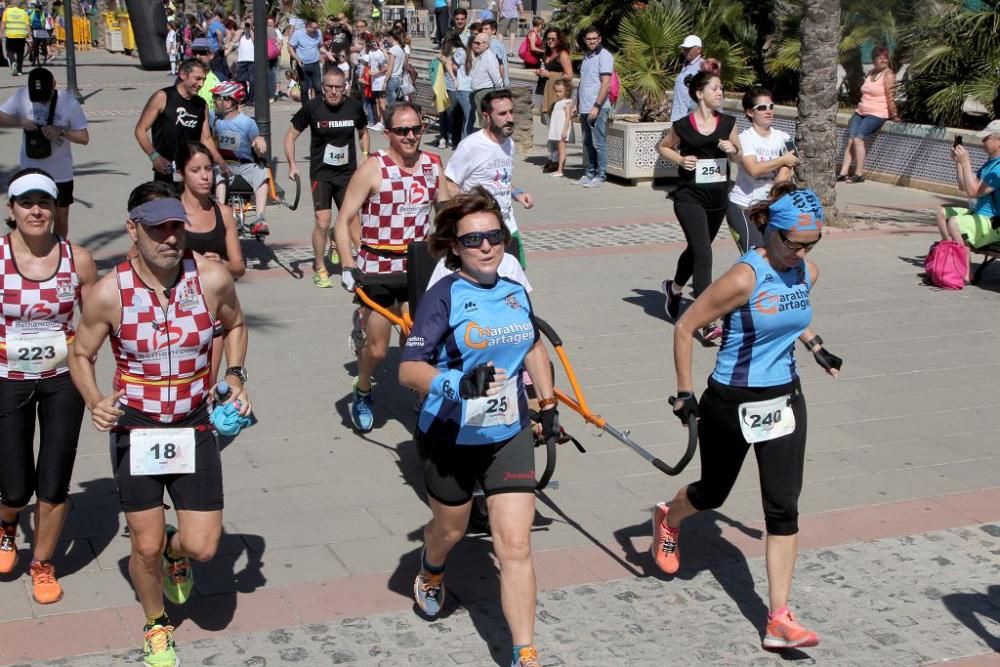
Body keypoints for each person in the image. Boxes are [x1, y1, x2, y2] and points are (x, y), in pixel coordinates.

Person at [68, 181, 251, 667]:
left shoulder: (210, 279)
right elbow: (80, 353)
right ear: (134, 229)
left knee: (204, 547)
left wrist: (234, 374)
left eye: (177, 227)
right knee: (143, 544)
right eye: (158, 229)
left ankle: (177, 550)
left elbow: (234, 324)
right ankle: (155, 623)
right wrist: (93, 399)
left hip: (193, 424)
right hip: (138, 427)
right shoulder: (110, 293)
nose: (171, 238)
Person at [652, 184, 842, 652]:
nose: (799, 254)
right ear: (766, 229)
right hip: (732, 401)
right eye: (792, 244)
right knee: (712, 492)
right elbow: (686, 326)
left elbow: (791, 316)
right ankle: (669, 518)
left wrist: (817, 348)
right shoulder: (743, 277)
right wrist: (683, 393)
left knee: (783, 507)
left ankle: (779, 617)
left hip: (783, 401)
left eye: (808, 245)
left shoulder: (806, 272)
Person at [399, 187, 557, 667]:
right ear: (454, 247)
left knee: (515, 544)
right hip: (450, 435)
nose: (487, 246)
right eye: (473, 240)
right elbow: (409, 370)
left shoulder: (513, 289)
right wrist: (457, 383)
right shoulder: (442, 296)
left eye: (495, 236)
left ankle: (523, 650)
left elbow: (531, 346)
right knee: (450, 530)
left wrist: (546, 404)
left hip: (507, 433)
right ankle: (431, 569)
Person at [0, 169, 96, 605]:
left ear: (56, 209)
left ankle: (42, 563)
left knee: (53, 482)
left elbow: (97, 321)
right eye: (26, 202)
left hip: (63, 380)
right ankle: (6, 525)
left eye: (44, 202)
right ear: (11, 210)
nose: (36, 210)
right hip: (7, 380)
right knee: (15, 487)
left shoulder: (79, 259)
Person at [332, 101, 446, 432]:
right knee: (379, 349)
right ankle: (364, 388)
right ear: (388, 133)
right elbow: (344, 221)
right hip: (378, 267)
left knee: (417, 338)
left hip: (418, 267)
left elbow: (448, 210)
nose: (411, 136)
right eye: (402, 130)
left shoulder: (432, 165)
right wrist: (348, 266)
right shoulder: (374, 167)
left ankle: (419, 388)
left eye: (416, 128)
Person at [657, 70, 742, 341]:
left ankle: (674, 288)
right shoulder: (683, 125)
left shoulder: (728, 123)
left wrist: (732, 149)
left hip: (717, 197)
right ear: (699, 93)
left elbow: (739, 155)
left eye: (721, 89)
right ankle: (706, 321)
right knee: (704, 254)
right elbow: (664, 147)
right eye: (715, 88)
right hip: (689, 196)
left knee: (696, 251)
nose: (720, 93)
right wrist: (680, 161)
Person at [283, 65, 369, 288]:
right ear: (322, 87)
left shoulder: (354, 107)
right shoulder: (312, 108)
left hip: (347, 174)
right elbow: (290, 136)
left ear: (345, 88)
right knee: (322, 222)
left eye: (337, 88)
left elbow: (363, 131)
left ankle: (358, 266)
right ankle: (319, 266)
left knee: (352, 222)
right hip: (321, 174)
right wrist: (292, 165)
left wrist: (366, 156)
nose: (333, 91)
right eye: (329, 87)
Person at [0, 67, 89, 239]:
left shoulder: (69, 103)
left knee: (60, 217)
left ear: (54, 85)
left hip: (60, 174)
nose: (40, 102)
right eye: (36, 97)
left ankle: (60, 251)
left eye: (44, 96)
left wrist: (61, 131)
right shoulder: (21, 95)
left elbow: (84, 137)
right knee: (29, 216)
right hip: (30, 170)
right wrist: (21, 122)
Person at [446, 89, 532, 267]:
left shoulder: (509, 143)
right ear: (487, 116)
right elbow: (449, 183)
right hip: (482, 232)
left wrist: (517, 193)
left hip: (508, 225)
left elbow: (499, 178)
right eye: (502, 113)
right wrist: (467, 214)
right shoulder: (471, 146)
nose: (509, 118)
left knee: (517, 276)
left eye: (511, 111)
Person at [135, 58, 228, 190]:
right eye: (197, 78)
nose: (201, 84)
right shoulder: (163, 97)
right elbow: (140, 129)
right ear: (183, 75)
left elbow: (206, 138)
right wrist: (154, 156)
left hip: (193, 170)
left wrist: (220, 161)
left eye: (203, 80)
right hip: (167, 169)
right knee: (168, 208)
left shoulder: (201, 104)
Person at [727, 88, 799, 253]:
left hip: (771, 206)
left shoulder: (784, 137)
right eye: (762, 108)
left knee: (777, 255)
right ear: (750, 112)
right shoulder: (745, 139)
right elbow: (753, 169)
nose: (768, 111)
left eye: (771, 106)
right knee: (755, 257)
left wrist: (773, 197)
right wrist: (782, 159)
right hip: (744, 207)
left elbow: (788, 169)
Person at [935, 120, 1000, 282]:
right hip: (980, 216)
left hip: (994, 223)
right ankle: (952, 260)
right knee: (942, 213)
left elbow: (973, 192)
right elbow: (964, 186)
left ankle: (965, 273)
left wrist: (966, 162)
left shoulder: (998, 168)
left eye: (986, 138)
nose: (982, 142)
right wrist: (959, 163)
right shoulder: (990, 164)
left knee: (956, 222)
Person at [210, 80, 271, 236]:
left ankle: (260, 219)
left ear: (230, 101)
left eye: (219, 98)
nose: (215, 101)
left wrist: (259, 140)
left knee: (261, 173)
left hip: (243, 164)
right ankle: (219, 216)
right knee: (220, 178)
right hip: (221, 163)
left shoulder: (247, 123)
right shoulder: (213, 118)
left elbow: (256, 142)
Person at [178, 141, 245, 279]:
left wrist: (222, 263)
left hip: (218, 296)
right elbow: (138, 256)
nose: (205, 176)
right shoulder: (170, 213)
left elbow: (239, 268)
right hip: (181, 295)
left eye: (208, 169)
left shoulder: (224, 213)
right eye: (195, 170)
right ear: (181, 173)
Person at [838, 46, 900, 183]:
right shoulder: (871, 72)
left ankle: (859, 174)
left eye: (885, 57)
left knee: (858, 139)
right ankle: (843, 172)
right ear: (874, 60)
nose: (883, 59)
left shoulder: (888, 75)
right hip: (861, 111)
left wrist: (894, 115)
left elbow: (890, 97)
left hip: (877, 113)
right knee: (851, 139)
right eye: (880, 57)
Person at [574, 25, 614, 189]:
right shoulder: (587, 57)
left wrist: (596, 106)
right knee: (587, 142)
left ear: (600, 39)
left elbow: (606, 84)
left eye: (594, 39)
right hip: (584, 106)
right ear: (584, 40)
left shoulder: (604, 56)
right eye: (588, 39)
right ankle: (590, 173)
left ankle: (600, 174)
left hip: (598, 106)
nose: (591, 42)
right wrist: (577, 104)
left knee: (599, 142)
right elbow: (583, 83)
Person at [535, 27, 572, 166]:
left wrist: (550, 75)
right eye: (548, 38)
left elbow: (569, 75)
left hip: (556, 96)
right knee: (550, 126)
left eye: (553, 39)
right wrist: (539, 72)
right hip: (546, 92)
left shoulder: (562, 54)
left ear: (559, 40)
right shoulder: (547, 53)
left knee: (556, 127)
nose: (550, 41)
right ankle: (554, 157)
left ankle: (557, 159)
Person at [440, 30, 471, 146]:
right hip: (447, 85)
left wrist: (446, 61)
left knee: (454, 114)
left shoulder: (460, 51)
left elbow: (455, 68)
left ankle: (453, 137)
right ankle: (449, 137)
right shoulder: (449, 51)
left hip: (455, 87)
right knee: (449, 113)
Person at [288, 18, 325, 109]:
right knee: (304, 88)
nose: (315, 30)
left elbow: (320, 46)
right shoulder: (298, 34)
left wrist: (326, 53)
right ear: (307, 27)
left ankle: (319, 107)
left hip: (315, 63)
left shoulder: (318, 33)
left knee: (318, 87)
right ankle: (306, 109)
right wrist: (297, 59)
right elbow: (290, 47)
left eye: (317, 27)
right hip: (302, 65)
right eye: (313, 28)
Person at [469, 32, 502, 129]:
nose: (476, 45)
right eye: (475, 42)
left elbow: (496, 78)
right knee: (483, 120)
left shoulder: (489, 58)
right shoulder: (481, 56)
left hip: (485, 92)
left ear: (486, 44)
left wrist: (499, 95)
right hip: (479, 93)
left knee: (486, 121)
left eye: (478, 43)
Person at [671, 34, 703, 122]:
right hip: (678, 116)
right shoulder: (685, 64)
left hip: (690, 119)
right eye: (685, 48)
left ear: (699, 49)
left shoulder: (702, 67)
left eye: (689, 48)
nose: (686, 51)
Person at [546, 79, 573, 179]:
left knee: (562, 150)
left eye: (560, 91)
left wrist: (565, 130)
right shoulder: (558, 102)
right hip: (557, 129)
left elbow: (568, 117)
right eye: (556, 91)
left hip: (562, 129)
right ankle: (559, 169)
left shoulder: (567, 102)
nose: (557, 93)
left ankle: (560, 170)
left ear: (566, 90)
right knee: (559, 149)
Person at [1, 0, 29, 75]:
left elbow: (3, 23)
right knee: (20, 53)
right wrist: (30, 35)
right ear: (19, 5)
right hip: (21, 35)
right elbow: (27, 25)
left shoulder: (7, 11)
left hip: (10, 35)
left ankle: (13, 62)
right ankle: (19, 70)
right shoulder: (23, 12)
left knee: (9, 52)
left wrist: (1, 33)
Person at [367, 34, 388, 130]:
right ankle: (379, 121)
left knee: (382, 102)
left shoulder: (381, 52)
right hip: (374, 80)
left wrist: (376, 73)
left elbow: (387, 67)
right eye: (373, 42)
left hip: (381, 79)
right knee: (376, 101)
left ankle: (382, 122)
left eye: (376, 42)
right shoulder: (371, 52)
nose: (374, 43)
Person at [232, 19, 255, 104]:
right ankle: (245, 97)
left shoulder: (253, 33)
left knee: (252, 81)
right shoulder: (240, 34)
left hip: (252, 60)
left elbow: (254, 40)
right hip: (241, 60)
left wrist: (250, 29)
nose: (247, 25)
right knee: (240, 80)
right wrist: (242, 30)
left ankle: (252, 99)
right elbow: (234, 41)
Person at [481, 19, 509, 87]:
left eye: (486, 29)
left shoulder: (493, 45)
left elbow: (500, 65)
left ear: (493, 31)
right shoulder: (496, 43)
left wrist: (500, 85)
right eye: (482, 29)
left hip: (497, 84)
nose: (483, 31)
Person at [206, 8, 231, 80]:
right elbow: (228, 33)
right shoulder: (221, 25)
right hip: (219, 51)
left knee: (217, 71)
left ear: (217, 16)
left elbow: (219, 33)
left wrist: (220, 45)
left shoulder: (213, 23)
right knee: (222, 69)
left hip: (215, 51)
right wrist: (227, 44)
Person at [384, 28, 407, 104]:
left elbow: (390, 66)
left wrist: (385, 81)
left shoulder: (393, 50)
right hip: (399, 79)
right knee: (397, 104)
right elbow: (402, 64)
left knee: (392, 105)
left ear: (391, 37)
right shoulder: (401, 49)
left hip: (392, 79)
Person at [26, 1, 48, 66]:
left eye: (39, 8)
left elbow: (47, 16)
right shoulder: (31, 12)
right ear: (35, 8)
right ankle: (30, 53)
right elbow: (25, 15)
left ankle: (43, 51)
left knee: (40, 44)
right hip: (32, 28)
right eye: (36, 8)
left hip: (40, 29)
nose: (37, 9)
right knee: (31, 43)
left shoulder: (44, 13)